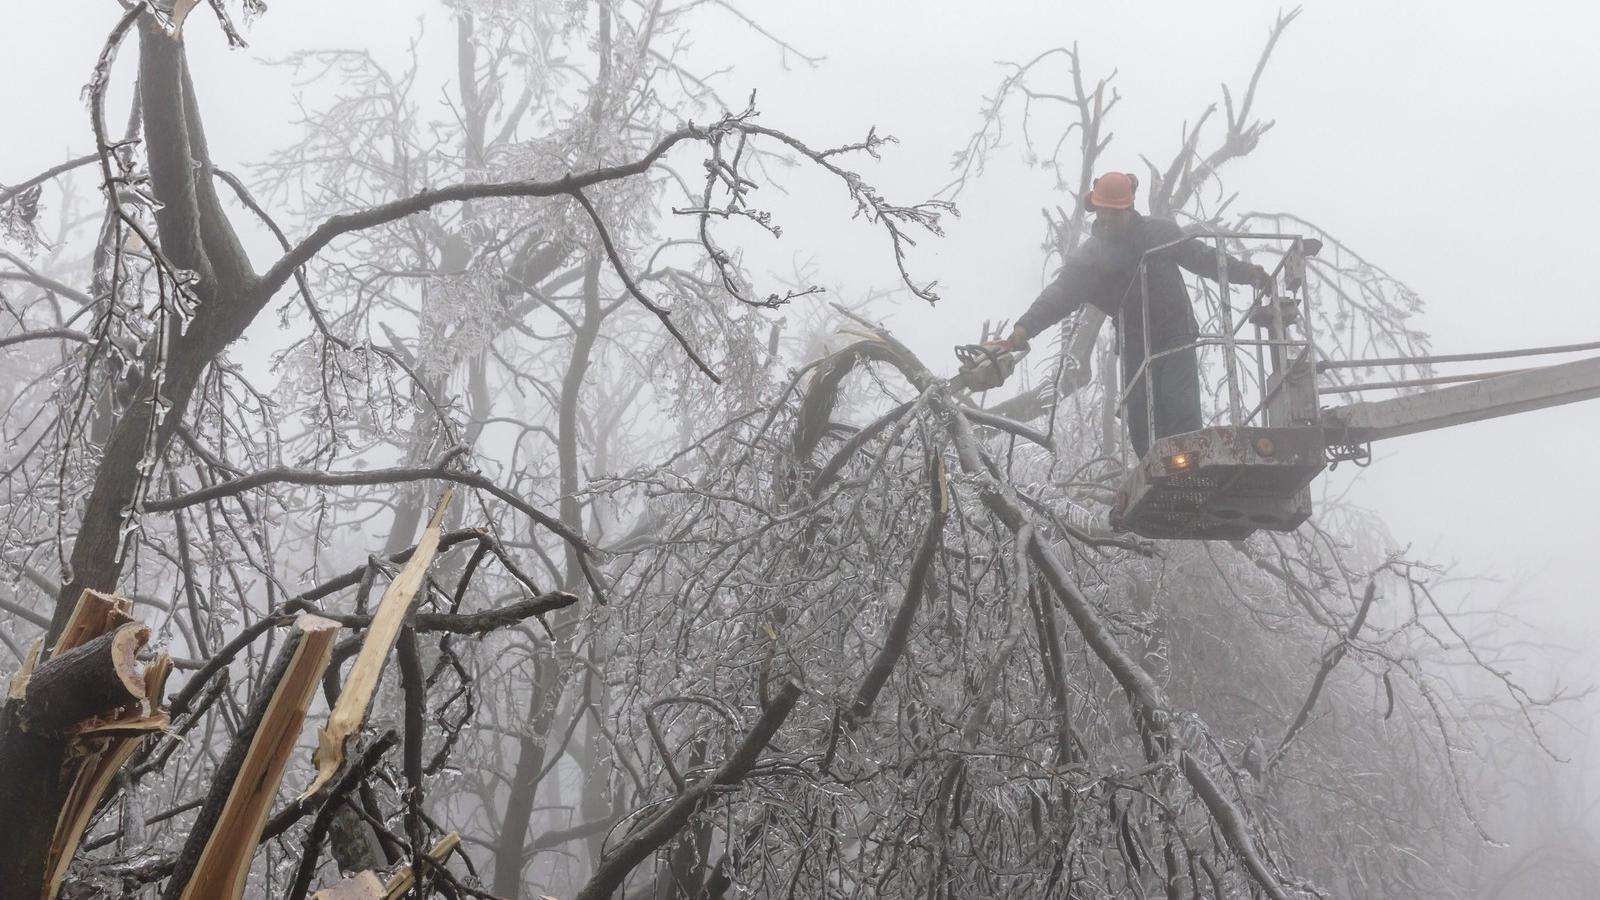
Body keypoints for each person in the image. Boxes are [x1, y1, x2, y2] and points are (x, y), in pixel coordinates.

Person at [985, 171, 1270, 457]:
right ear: (1095, 210)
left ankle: (1188, 466)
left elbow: (1204, 258)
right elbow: (1057, 297)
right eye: (1102, 213)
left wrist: (1246, 273)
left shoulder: (1159, 233)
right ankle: (1157, 473)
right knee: (1141, 421)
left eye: (1114, 213)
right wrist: (1021, 331)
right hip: (1135, 344)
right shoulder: (1089, 260)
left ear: (1128, 209)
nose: (1107, 220)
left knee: (1179, 405)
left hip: (1175, 333)